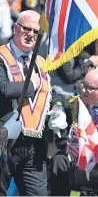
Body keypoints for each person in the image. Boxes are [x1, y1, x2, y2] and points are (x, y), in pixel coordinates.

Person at [0, 10, 51, 196]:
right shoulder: (1, 55)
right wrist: (32, 84)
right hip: (4, 138)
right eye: (26, 29)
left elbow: (47, 94)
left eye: (36, 32)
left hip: (32, 143)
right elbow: (4, 89)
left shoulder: (40, 61)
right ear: (15, 28)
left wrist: (58, 109)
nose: (31, 35)